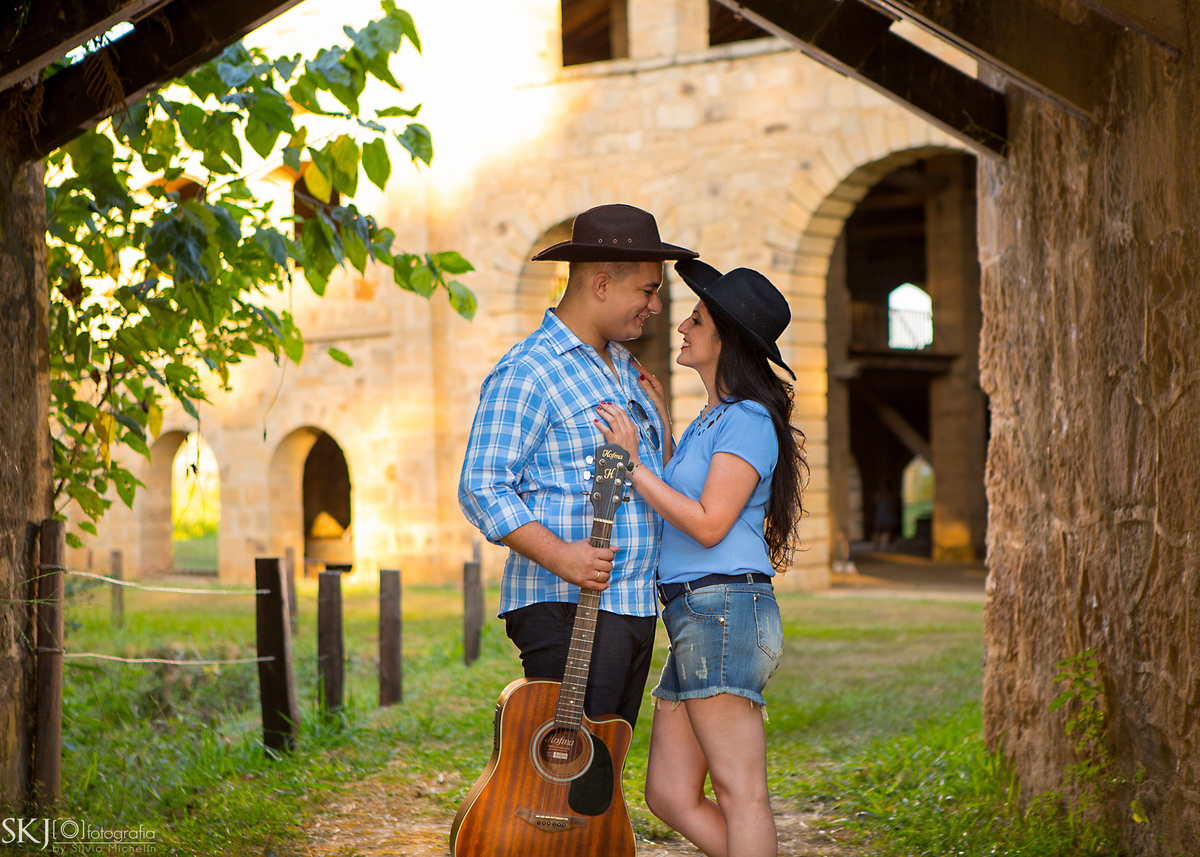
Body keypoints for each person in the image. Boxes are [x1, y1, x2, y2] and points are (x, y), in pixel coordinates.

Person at [596, 259, 807, 857]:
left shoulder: (747, 419)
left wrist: (631, 464)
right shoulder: (713, 417)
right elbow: (688, 497)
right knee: (668, 792)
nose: (682, 326)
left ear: (727, 339)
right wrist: (662, 426)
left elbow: (711, 524)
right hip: (697, 613)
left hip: (724, 609)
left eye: (696, 319)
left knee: (742, 792)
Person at [458, 203, 695, 729]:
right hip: (567, 608)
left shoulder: (626, 370)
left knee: (601, 775)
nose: (655, 307)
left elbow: (648, 479)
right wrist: (562, 555)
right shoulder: (530, 370)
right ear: (603, 284)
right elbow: (482, 486)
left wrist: (662, 423)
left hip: (633, 605)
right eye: (648, 290)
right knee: (565, 776)